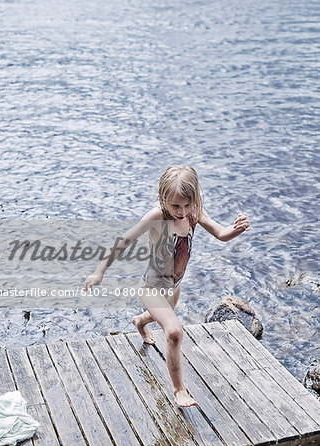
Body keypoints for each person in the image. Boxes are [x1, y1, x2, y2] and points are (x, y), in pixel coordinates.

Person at [83, 165, 250, 407]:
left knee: (159, 317)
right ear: (163, 199)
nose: (181, 212)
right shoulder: (156, 217)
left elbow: (221, 234)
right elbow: (122, 242)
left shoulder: (193, 212)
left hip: (174, 286)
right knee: (174, 332)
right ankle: (179, 390)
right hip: (152, 288)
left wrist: (237, 229)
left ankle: (140, 322)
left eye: (186, 205)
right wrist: (99, 272)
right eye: (175, 206)